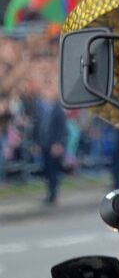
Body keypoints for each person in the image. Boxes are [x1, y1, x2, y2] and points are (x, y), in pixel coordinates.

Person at [34, 57, 67, 205]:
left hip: (54, 143)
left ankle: (53, 194)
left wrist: (59, 143)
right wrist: (36, 142)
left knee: (53, 170)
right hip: (44, 142)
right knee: (46, 169)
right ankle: (49, 193)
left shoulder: (57, 109)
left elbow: (62, 128)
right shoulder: (39, 108)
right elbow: (36, 126)